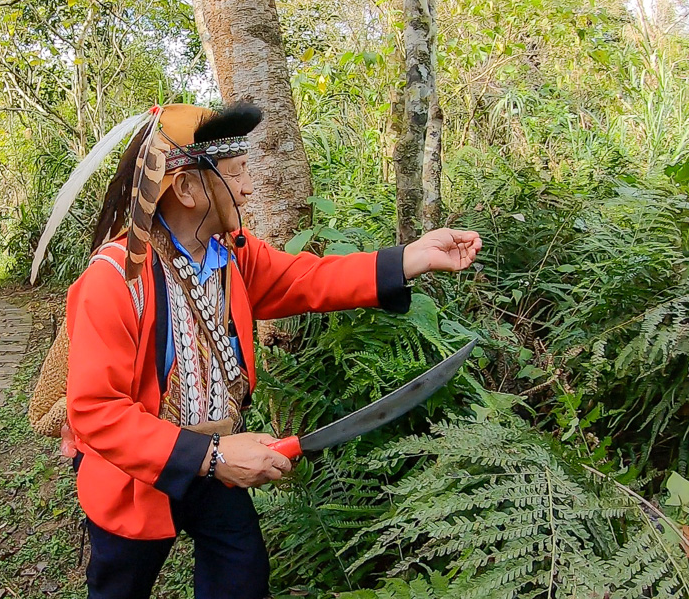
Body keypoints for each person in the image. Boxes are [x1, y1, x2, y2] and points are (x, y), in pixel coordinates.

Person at [55, 102, 481, 599]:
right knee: (120, 587)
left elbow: (306, 278)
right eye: (235, 175)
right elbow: (95, 411)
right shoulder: (112, 282)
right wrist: (211, 457)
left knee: (241, 573)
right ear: (187, 189)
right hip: (138, 474)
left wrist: (408, 258)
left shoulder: (233, 255)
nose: (249, 188)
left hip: (219, 455)